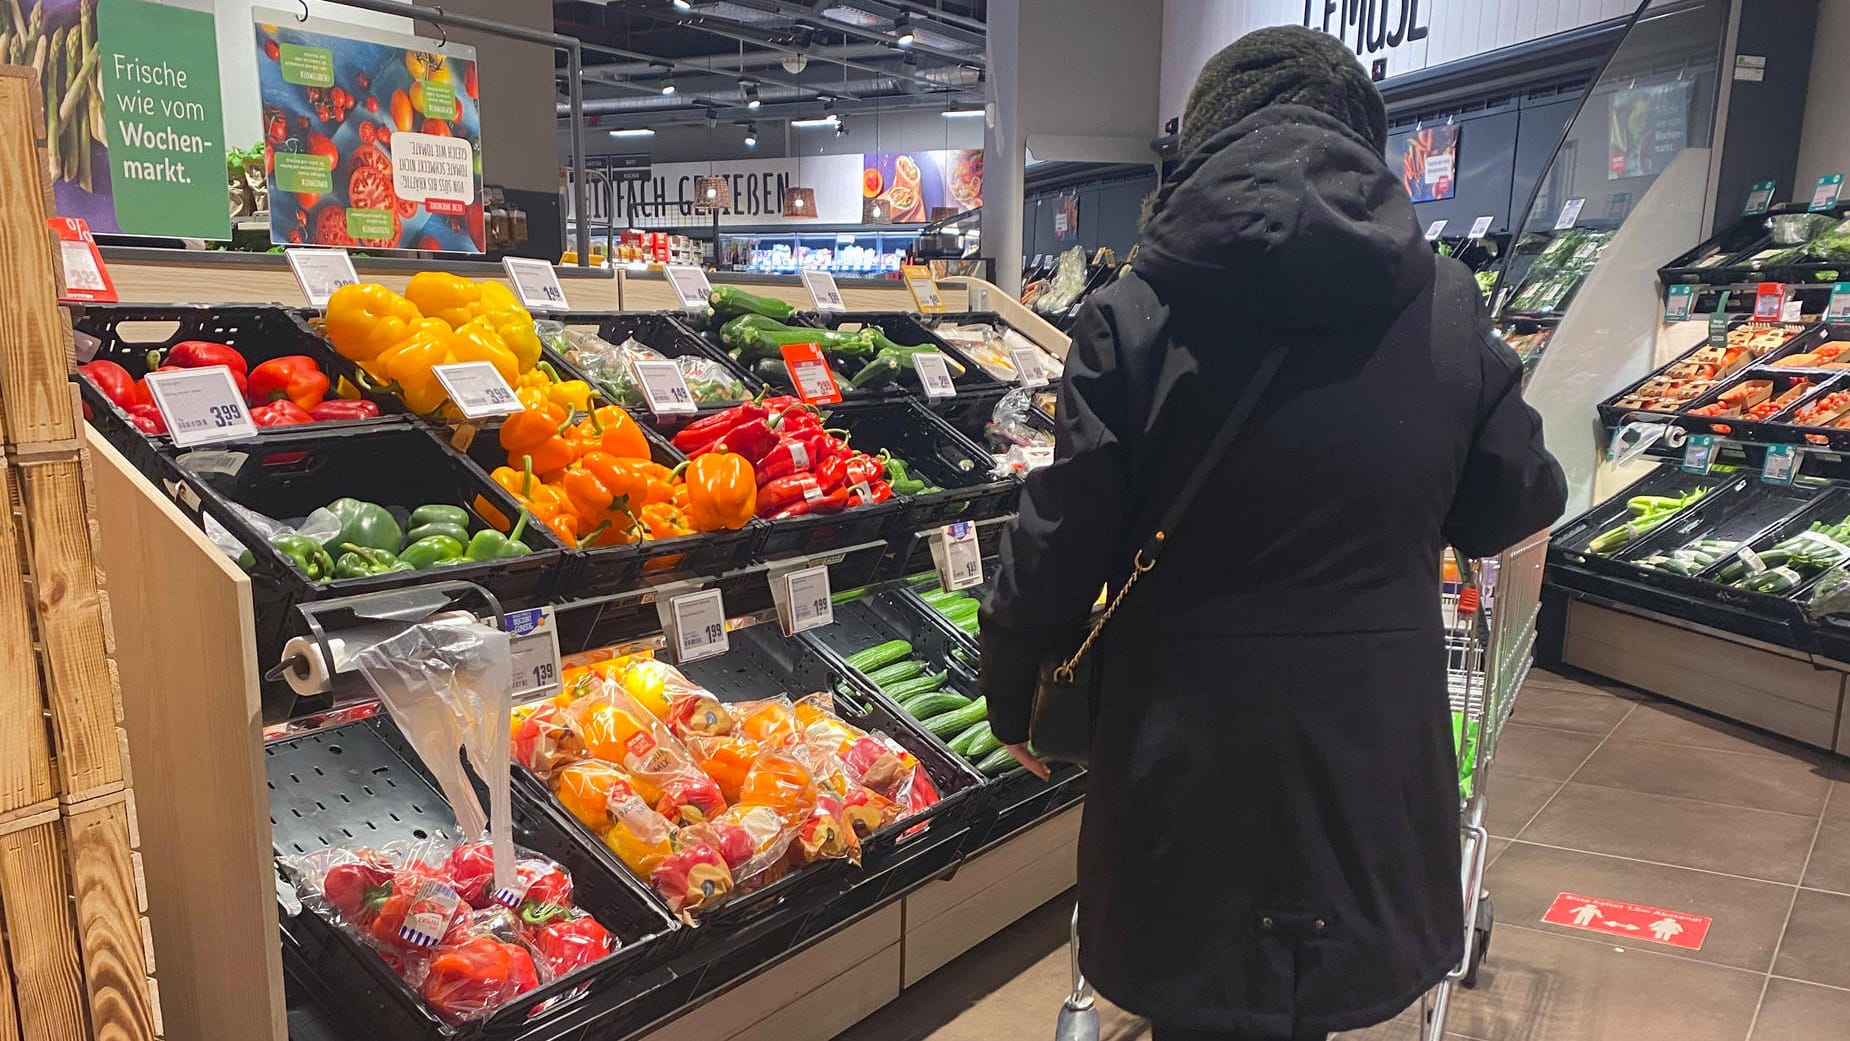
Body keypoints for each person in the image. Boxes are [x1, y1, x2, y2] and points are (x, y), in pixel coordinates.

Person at [979, 26, 1566, 1041]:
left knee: (1197, 1002)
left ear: (1204, 136)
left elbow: (1059, 535)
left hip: (1183, 755)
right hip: (1366, 753)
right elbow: (1512, 500)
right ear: (1360, 137)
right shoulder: (1442, 308)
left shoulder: (1132, 313)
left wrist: (1012, 695)